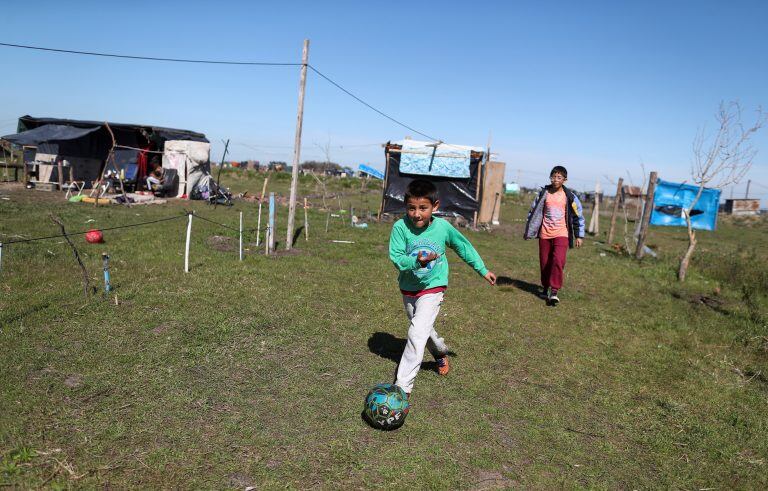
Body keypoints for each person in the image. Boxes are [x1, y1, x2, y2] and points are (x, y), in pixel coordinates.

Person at [389, 179, 496, 399]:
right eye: (411, 208)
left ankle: (402, 388)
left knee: (416, 333)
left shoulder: (442, 227)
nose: (417, 214)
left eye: (423, 208)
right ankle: (440, 353)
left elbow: (462, 246)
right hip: (409, 288)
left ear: (435, 206)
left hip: (434, 286)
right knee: (423, 330)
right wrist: (416, 262)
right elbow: (397, 258)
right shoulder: (400, 227)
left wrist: (482, 269)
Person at [523, 165, 585, 305]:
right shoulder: (543, 194)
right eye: (553, 177)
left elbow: (578, 216)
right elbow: (533, 212)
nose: (555, 180)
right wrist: (529, 230)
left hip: (562, 233)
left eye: (559, 177)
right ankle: (545, 287)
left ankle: (554, 290)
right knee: (545, 263)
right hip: (545, 233)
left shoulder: (570, 197)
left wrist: (579, 236)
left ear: (564, 180)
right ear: (550, 178)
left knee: (558, 260)